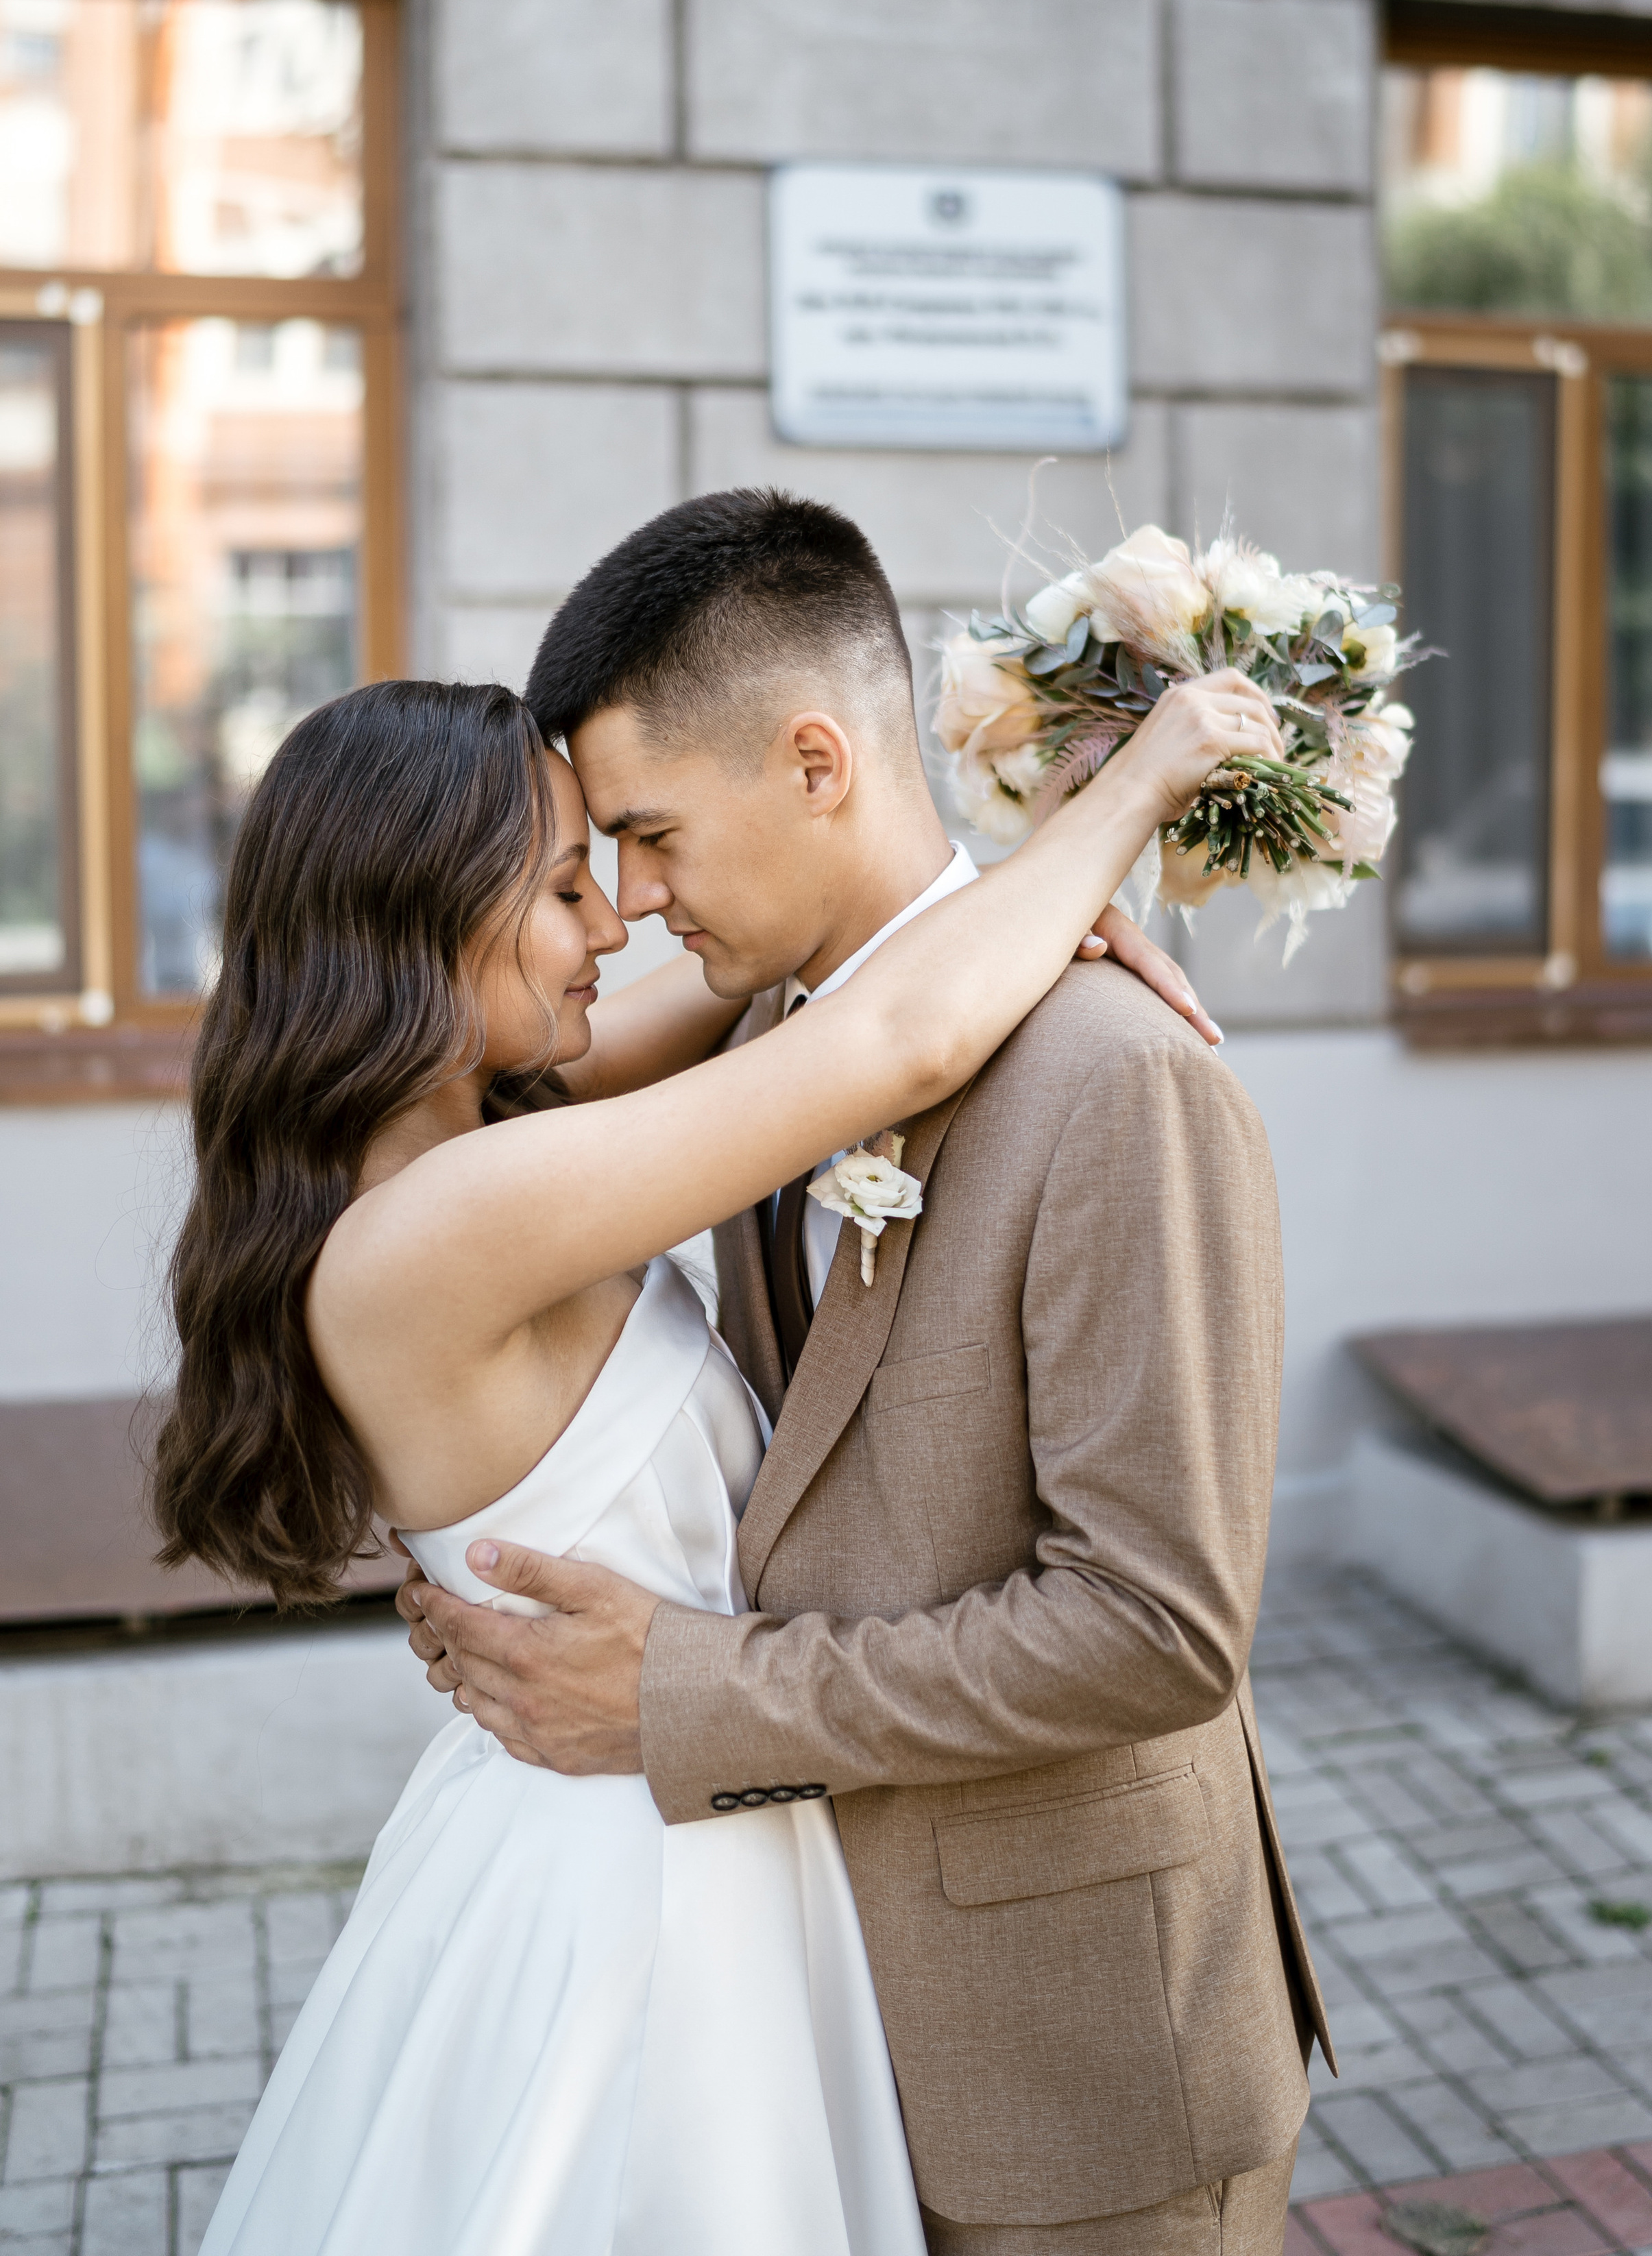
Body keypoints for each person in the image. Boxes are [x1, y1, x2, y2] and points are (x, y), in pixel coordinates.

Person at [151, 610, 1274, 2256]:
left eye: (625, 852)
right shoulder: (440, 1225)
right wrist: (1118, 804)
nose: (615, 916)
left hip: (709, 1831)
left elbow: (847, 985)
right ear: (413, 920)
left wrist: (1048, 917)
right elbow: (890, 1041)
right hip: (632, 1889)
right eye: (562, 884)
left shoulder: (494, 1135)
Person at [401, 489, 1335, 2256]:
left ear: (814, 760)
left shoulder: (1115, 1080)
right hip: (809, 2036)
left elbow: (1156, 1628)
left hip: (1080, 2066)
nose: (635, 902)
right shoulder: (763, 1051)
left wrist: (683, 1694)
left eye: (652, 836)